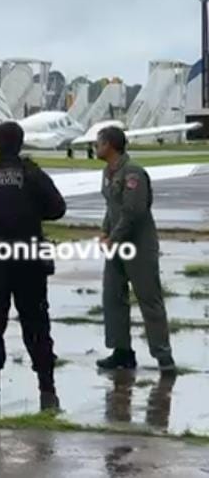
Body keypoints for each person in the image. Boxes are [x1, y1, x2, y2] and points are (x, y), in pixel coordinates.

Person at [0, 121, 66, 415]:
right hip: (29, 261)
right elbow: (57, 208)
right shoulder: (32, 174)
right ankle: (47, 392)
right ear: (20, 143)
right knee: (37, 324)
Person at [95, 126, 175, 374]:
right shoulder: (108, 172)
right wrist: (105, 231)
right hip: (117, 246)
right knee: (113, 298)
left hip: (138, 246)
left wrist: (114, 237)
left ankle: (163, 356)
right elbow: (112, 207)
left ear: (109, 145)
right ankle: (122, 352)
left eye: (98, 143)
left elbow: (133, 211)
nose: (95, 148)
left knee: (149, 299)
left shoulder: (133, 173)